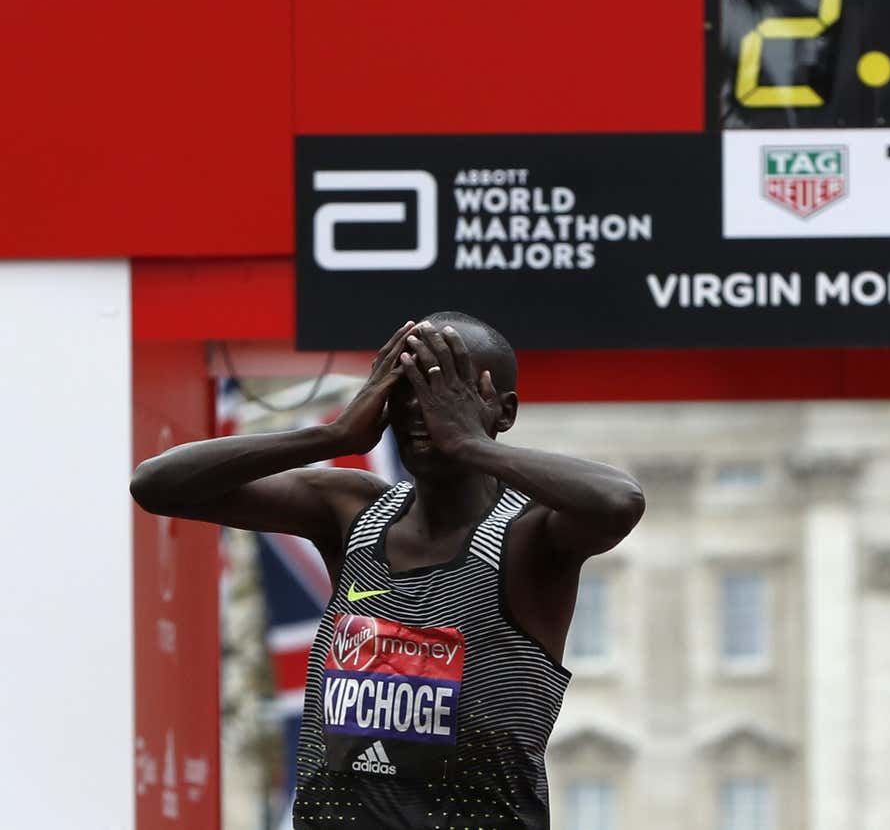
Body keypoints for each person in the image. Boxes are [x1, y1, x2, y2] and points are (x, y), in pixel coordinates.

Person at [130, 313, 645, 829]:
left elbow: (619, 502)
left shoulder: (528, 538)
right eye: (404, 390)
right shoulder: (353, 512)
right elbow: (158, 485)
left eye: (446, 391)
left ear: (502, 411)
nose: (422, 411)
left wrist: (471, 444)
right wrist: (332, 436)